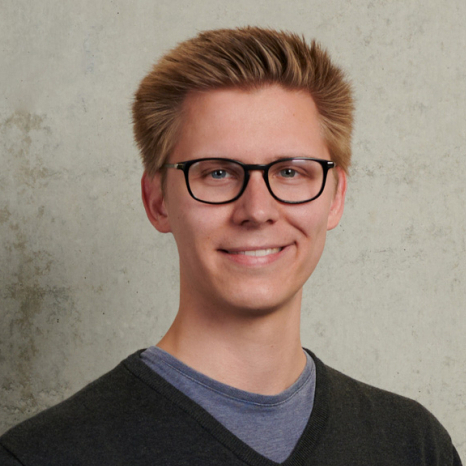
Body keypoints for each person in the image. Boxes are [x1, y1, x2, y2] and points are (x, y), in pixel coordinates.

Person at [0, 27, 462, 466]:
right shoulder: (44, 455)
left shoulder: (411, 445)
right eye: (217, 172)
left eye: (290, 172)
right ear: (157, 201)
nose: (257, 209)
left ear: (335, 197)